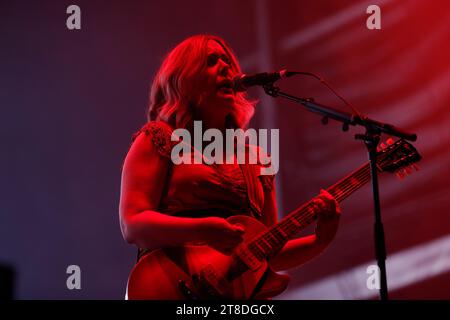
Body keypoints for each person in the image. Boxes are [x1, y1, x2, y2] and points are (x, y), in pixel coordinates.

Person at [119, 34, 341, 299]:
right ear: (185, 77)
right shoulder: (158, 138)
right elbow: (132, 224)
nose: (227, 67)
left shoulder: (256, 159)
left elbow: (265, 253)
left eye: (229, 62)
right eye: (212, 61)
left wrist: (320, 240)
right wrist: (204, 229)